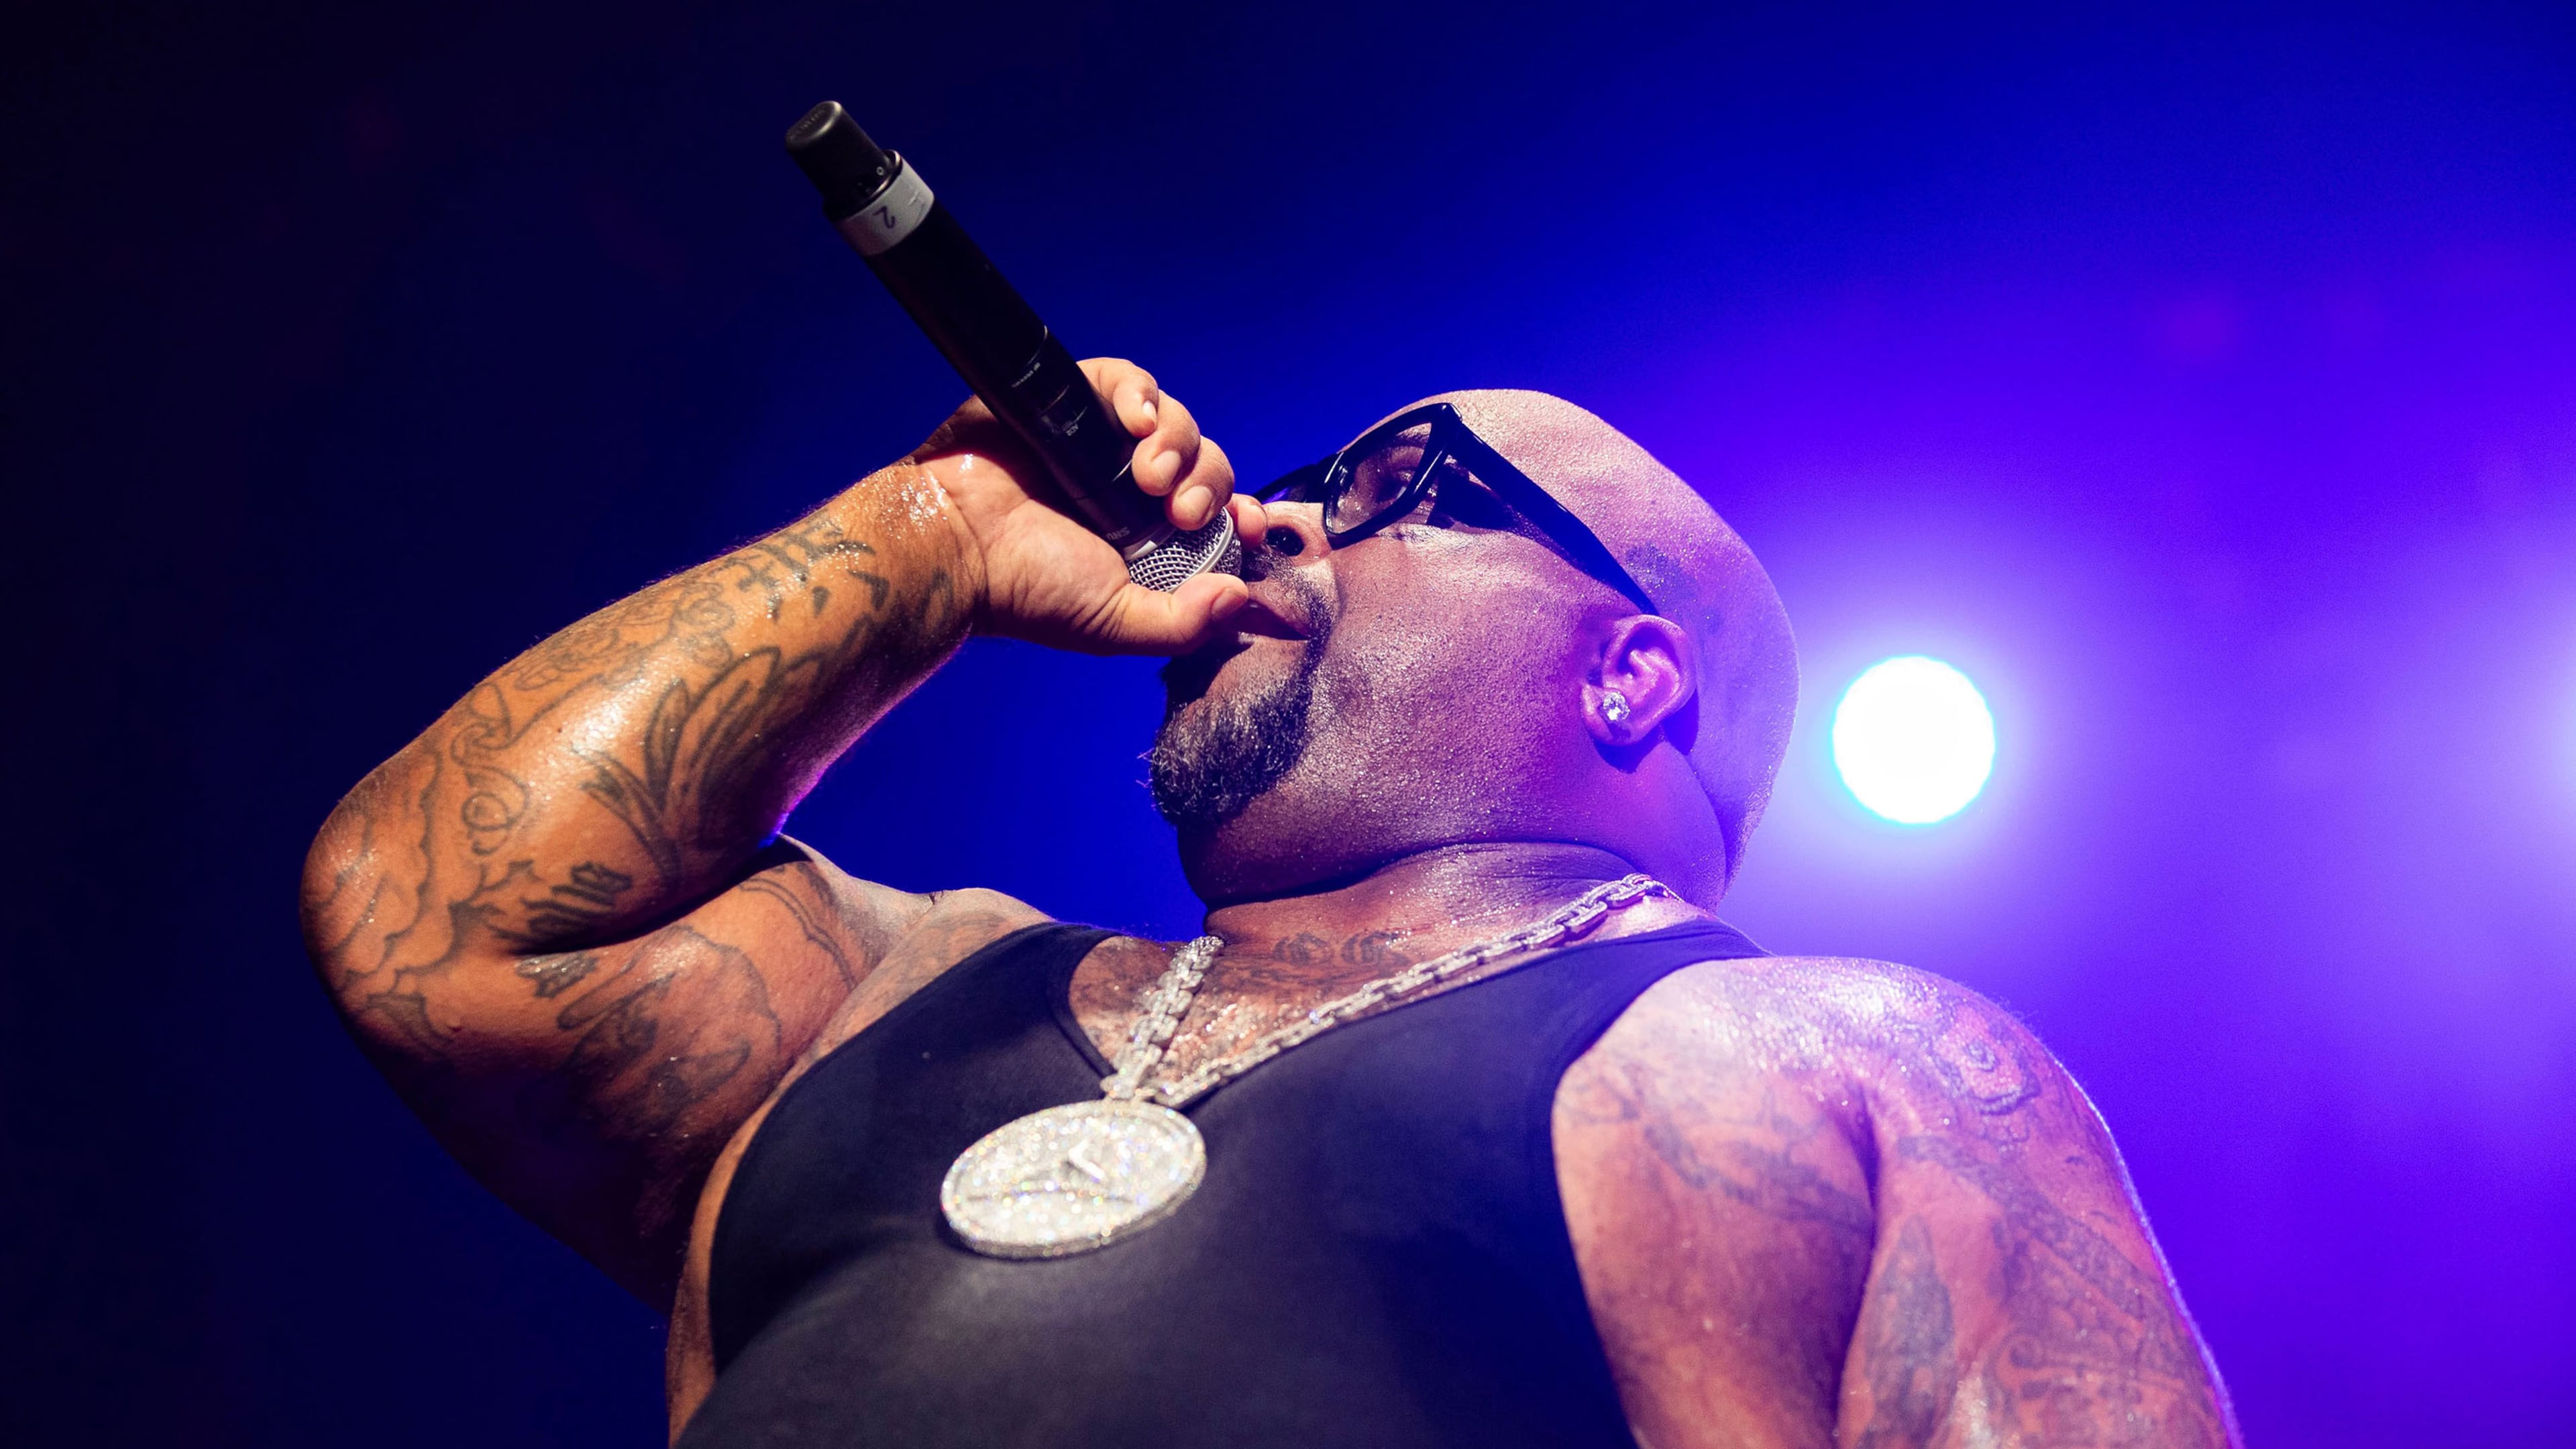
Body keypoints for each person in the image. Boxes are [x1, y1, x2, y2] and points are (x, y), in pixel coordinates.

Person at [301, 359, 2239, 1447]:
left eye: (1402, 482)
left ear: (1631, 674)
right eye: (1311, 475)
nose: (1278, 513)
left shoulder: (1843, 1064)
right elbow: (428, 919)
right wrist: (935, 535)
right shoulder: (897, 987)